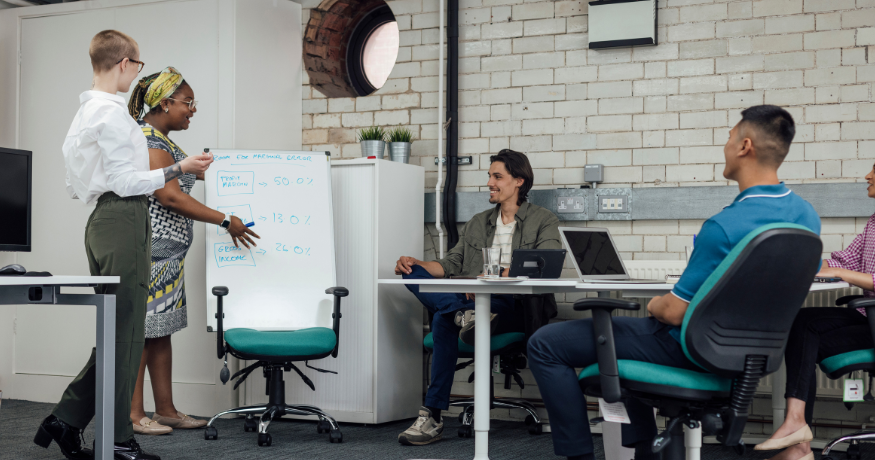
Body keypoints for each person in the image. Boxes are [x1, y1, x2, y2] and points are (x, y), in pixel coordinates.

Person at [527, 105, 822, 460]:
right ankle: (643, 453)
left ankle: (578, 456)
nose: (725, 147)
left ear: (745, 146)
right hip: (751, 361)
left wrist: (654, 304)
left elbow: (673, 312)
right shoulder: (807, 217)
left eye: (729, 138)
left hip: (690, 350)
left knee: (546, 343)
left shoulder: (724, 226)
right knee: (621, 343)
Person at [35, 30, 213, 460]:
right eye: (136, 64)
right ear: (124, 64)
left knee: (117, 332)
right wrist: (179, 168)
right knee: (127, 335)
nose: (136, 72)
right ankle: (116, 439)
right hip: (123, 217)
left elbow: (75, 186)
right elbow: (125, 181)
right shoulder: (113, 116)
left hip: (102, 220)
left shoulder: (85, 113)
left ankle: (67, 419)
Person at [124, 67, 260, 436]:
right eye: (188, 103)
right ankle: (134, 415)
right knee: (141, 333)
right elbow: (167, 195)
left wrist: (252, 168)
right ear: (165, 103)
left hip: (167, 256)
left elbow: (197, 174)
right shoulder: (149, 140)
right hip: (151, 252)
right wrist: (224, 220)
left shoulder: (164, 141)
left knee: (159, 331)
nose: (192, 109)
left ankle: (165, 409)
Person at [393, 149, 561, 446]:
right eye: (489, 176)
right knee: (411, 276)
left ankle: (431, 415)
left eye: (498, 176)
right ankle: (459, 313)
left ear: (519, 181)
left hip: (513, 306)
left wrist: (493, 279)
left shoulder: (542, 219)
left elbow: (546, 263)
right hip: (472, 303)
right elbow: (449, 265)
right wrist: (416, 264)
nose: (490, 183)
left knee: (443, 322)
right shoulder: (478, 222)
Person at [754, 164, 875, 460]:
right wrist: (798, 257)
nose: (867, 176)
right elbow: (840, 260)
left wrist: (840, 270)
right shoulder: (874, 222)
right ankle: (798, 435)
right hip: (867, 317)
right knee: (801, 323)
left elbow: (846, 269)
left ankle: (798, 441)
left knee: (806, 336)